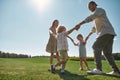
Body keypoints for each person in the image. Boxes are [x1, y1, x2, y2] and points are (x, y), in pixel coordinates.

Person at [75, 1, 120, 75]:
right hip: (109, 33)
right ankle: (116, 71)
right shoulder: (97, 17)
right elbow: (94, 28)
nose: (89, 8)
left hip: (105, 32)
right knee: (107, 53)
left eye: (90, 6)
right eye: (88, 8)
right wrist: (88, 35)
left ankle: (98, 69)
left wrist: (80, 24)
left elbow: (91, 17)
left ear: (94, 4)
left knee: (95, 47)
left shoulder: (99, 10)